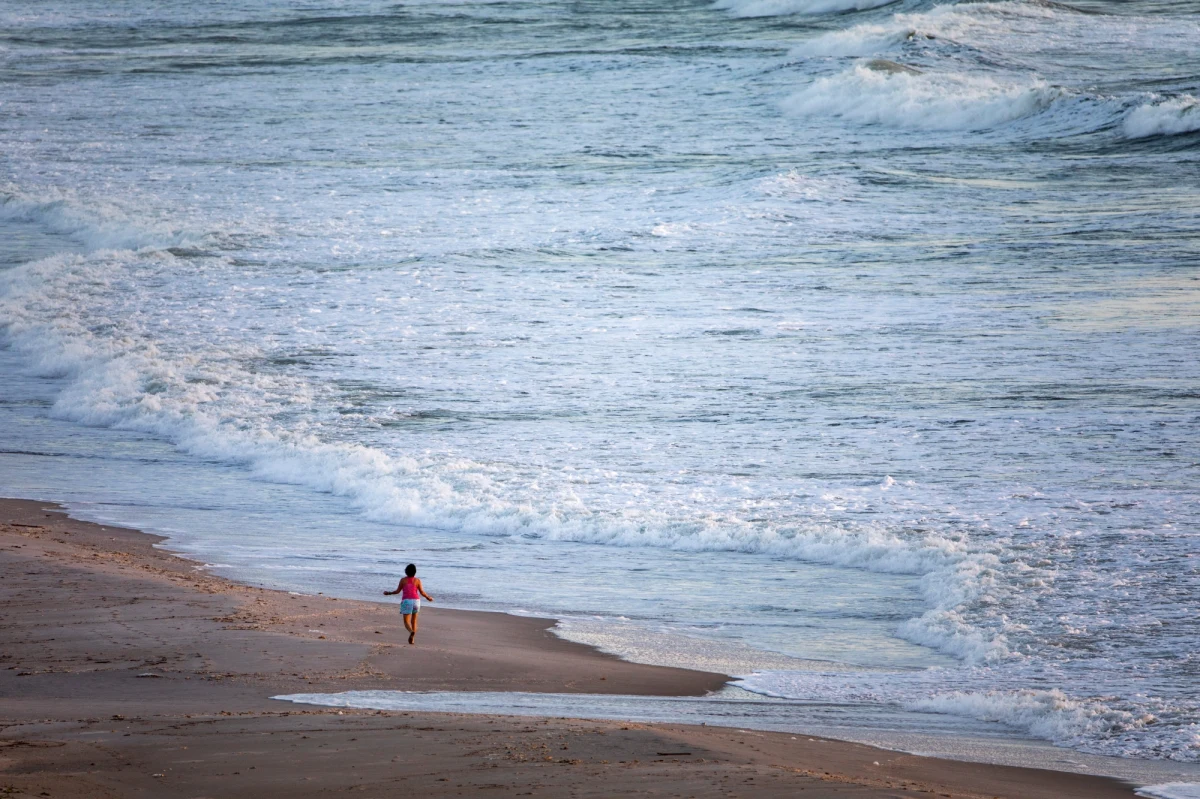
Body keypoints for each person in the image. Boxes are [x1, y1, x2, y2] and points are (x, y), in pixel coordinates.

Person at [383, 563, 433, 645]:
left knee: (406, 622)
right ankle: (412, 639)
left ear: (406, 571)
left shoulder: (403, 580)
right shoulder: (417, 580)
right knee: (414, 621)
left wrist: (388, 593)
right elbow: (422, 592)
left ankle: (411, 632)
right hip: (416, 601)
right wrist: (428, 597)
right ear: (415, 572)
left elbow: (397, 591)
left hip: (407, 601)